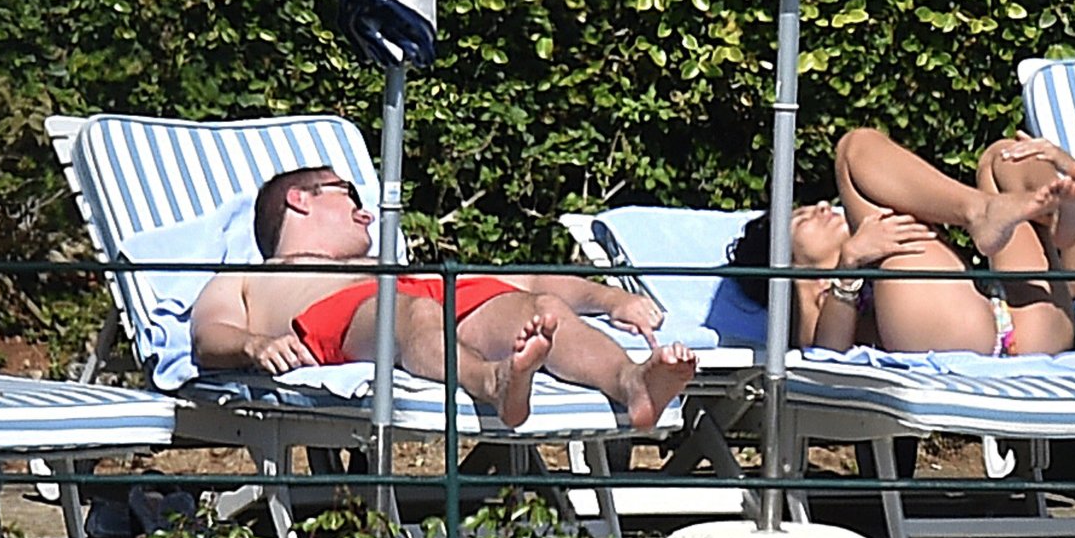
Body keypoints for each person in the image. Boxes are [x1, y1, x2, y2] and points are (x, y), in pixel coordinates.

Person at [190, 166, 696, 429]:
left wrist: (610, 298)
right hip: (341, 314)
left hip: (415, 289)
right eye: (350, 195)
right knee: (412, 311)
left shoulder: (392, 262)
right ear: (299, 199)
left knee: (540, 310)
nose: (367, 214)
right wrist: (254, 345)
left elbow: (531, 279)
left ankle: (632, 383)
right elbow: (207, 335)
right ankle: (491, 380)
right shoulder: (253, 276)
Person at [726, 128, 1075, 357]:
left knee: (1002, 156)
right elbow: (826, 357)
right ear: (787, 263)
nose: (822, 206)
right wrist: (849, 263)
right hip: (965, 337)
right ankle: (984, 211)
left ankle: (1067, 212)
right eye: (801, 218)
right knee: (853, 148)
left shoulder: (880, 239)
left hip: (1032, 323)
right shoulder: (810, 292)